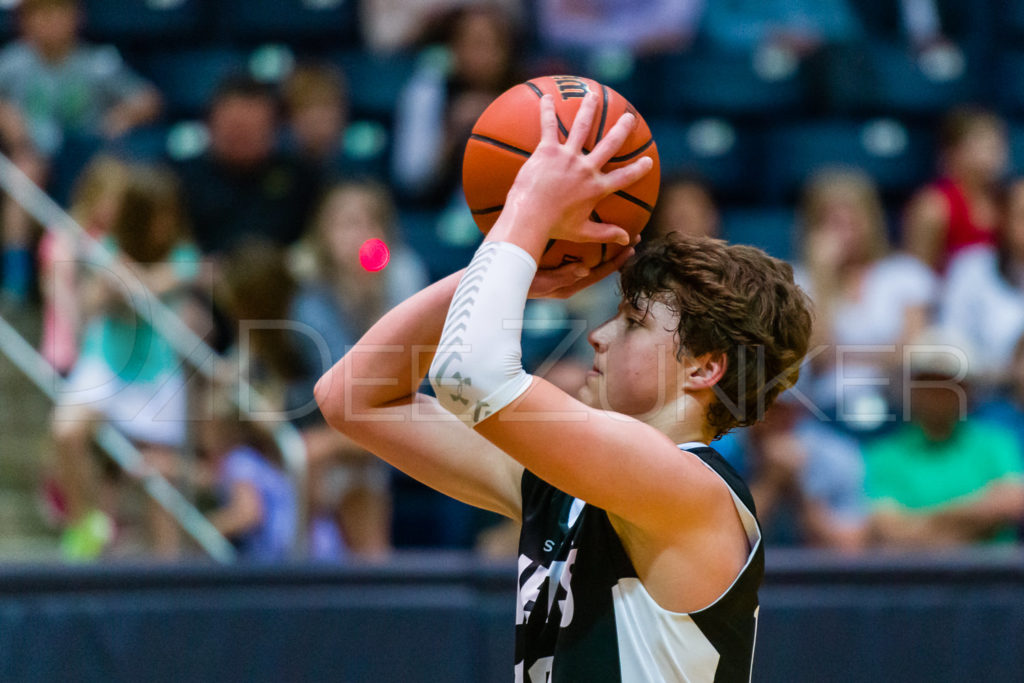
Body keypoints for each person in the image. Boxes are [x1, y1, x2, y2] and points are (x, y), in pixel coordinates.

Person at [316, 92, 813, 680]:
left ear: (705, 368)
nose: (599, 335)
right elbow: (352, 397)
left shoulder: (690, 490)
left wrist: (526, 217)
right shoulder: (568, 485)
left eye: (632, 322)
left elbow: (469, 377)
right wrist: (519, 272)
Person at [51, 164, 204, 560]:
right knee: (67, 432)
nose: (165, 222)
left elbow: (155, 285)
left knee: (161, 479)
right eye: (157, 213)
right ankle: (85, 525)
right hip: (105, 364)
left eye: (170, 212)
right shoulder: (108, 250)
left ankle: (168, 571)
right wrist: (114, 287)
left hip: (156, 374)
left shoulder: (183, 257)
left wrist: (130, 283)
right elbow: (94, 301)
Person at [0, 0, 161, 304]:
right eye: (41, 14)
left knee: (116, 174)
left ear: (78, 17)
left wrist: (122, 118)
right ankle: (15, 276)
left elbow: (148, 99)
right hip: (34, 159)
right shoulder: (11, 63)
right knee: (24, 171)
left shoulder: (97, 63)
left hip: (86, 159)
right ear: (24, 21)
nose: (51, 22)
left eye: (60, 13)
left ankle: (111, 270)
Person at [794, 167, 936, 431]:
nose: (847, 234)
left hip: (896, 405)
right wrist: (823, 278)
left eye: (853, 222)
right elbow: (818, 357)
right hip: (826, 411)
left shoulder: (904, 273)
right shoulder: (802, 281)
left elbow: (911, 353)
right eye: (834, 224)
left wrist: (845, 356)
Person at [865, 328, 1024, 547]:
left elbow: (1011, 503)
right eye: (929, 381)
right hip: (917, 580)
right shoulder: (884, 455)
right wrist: (979, 514)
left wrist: (920, 524)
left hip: (992, 580)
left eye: (949, 383)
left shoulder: (997, 444)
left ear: (966, 390)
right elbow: (890, 531)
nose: (938, 392)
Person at [174, 75, 323, 256]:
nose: (242, 138)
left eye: (253, 130)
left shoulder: (301, 179)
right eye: (235, 128)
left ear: (273, 129)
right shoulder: (178, 179)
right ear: (211, 124)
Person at [391, 2, 523, 207]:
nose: (483, 55)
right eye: (474, 44)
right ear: (454, 48)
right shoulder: (427, 91)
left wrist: (495, 116)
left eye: (493, 44)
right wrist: (452, 131)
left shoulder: (526, 94)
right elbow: (412, 178)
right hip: (436, 207)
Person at [939, 177, 1024, 387]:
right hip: (987, 400)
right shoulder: (970, 268)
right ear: (1002, 218)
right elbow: (951, 346)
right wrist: (1006, 373)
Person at [903, 106, 1007, 272]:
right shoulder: (934, 205)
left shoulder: (1008, 202)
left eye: (998, 144)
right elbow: (916, 275)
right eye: (983, 144)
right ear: (953, 152)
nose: (994, 153)